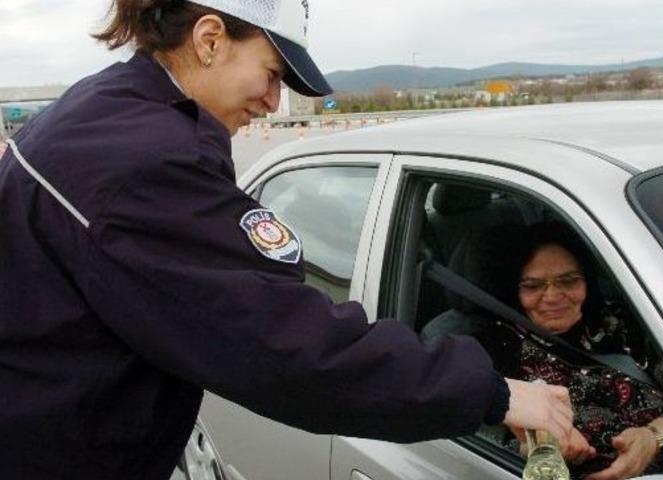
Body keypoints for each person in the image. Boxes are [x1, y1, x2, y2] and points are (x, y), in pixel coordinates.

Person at [0, 1, 573, 479]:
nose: (274, 101)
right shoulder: (145, 162)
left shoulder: (102, 110)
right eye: (272, 73)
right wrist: (491, 392)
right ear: (209, 39)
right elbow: (287, 346)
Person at [430, 222, 663, 479]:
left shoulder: (624, 321)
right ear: (513, 289)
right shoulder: (489, 349)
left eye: (568, 281)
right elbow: (484, 441)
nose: (552, 297)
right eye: (533, 285)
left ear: (587, 281)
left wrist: (654, 440)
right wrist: (541, 450)